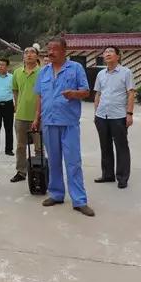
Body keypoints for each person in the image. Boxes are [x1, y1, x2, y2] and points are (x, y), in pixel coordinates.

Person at [32, 37, 95, 217]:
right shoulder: (43, 72)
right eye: (49, 49)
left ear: (64, 51)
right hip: (49, 122)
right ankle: (56, 194)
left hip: (69, 123)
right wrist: (36, 118)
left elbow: (86, 91)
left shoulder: (75, 68)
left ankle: (79, 200)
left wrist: (73, 94)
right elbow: (40, 97)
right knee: (53, 161)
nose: (50, 52)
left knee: (73, 162)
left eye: (54, 49)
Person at [93, 46, 135, 189]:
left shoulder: (126, 72)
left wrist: (129, 113)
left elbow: (131, 93)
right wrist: (96, 113)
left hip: (119, 116)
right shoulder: (101, 74)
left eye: (111, 52)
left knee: (121, 147)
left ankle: (122, 178)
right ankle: (107, 175)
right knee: (105, 146)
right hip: (101, 115)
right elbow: (98, 94)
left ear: (118, 56)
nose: (107, 54)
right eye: (105, 52)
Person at [10, 46, 42, 183]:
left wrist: (39, 114)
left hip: (38, 115)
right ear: (23, 56)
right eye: (26, 52)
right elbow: (15, 90)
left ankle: (40, 170)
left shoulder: (43, 72)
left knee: (39, 146)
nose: (29, 54)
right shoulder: (17, 72)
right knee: (20, 146)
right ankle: (21, 171)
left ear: (37, 56)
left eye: (32, 52)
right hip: (21, 116)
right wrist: (17, 105)